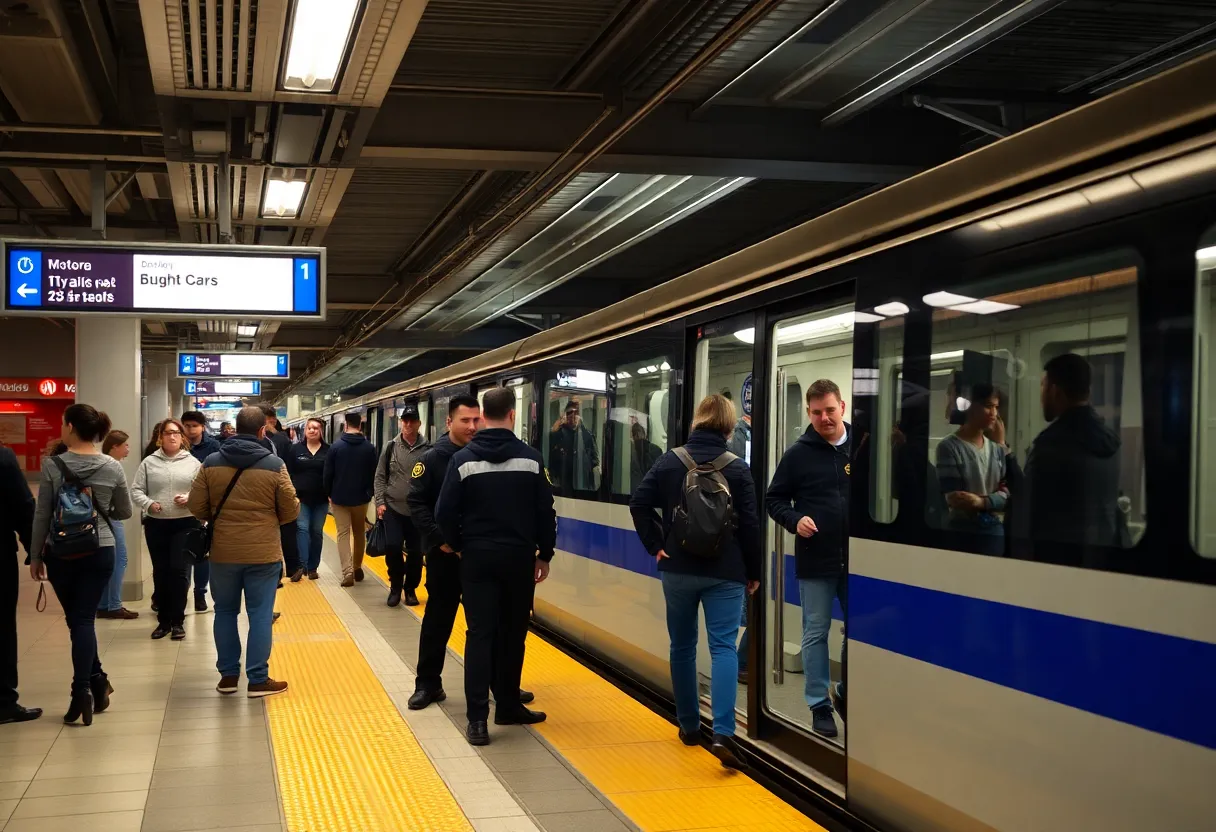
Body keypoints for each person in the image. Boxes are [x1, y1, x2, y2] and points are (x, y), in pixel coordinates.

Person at [629, 394, 760, 769]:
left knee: (683, 646)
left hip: (678, 567)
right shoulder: (738, 469)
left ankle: (688, 727)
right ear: (729, 428)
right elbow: (750, 526)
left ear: (697, 421)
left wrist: (656, 545)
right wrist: (753, 571)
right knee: (723, 649)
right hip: (725, 572)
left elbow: (639, 503)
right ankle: (723, 733)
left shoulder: (671, 461)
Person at [435, 387, 555, 746]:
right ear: (513, 415)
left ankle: (477, 720)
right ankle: (507, 705)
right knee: (514, 634)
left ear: (483, 417)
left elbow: (444, 512)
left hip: (478, 559)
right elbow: (545, 512)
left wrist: (458, 545)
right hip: (519, 559)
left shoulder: (463, 459)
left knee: (480, 634)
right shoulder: (531, 459)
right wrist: (545, 554)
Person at [765, 379, 860, 738]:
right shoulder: (798, 454)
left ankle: (847, 692)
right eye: (817, 412)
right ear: (808, 413)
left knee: (860, 631)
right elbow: (774, 500)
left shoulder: (862, 447)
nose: (825, 418)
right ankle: (820, 704)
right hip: (815, 559)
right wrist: (794, 520)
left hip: (858, 561)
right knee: (816, 632)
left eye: (830, 410)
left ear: (843, 408)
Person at [30, 404, 133, 725]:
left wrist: (35, 555)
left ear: (71, 427)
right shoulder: (112, 466)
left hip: (61, 551)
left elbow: (42, 514)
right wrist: (98, 510)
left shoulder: (52, 465)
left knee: (78, 620)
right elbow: (125, 511)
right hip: (100, 549)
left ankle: (81, 690)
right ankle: (96, 681)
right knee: (82, 620)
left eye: (64, 423)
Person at [188, 406, 298, 697]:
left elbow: (196, 506)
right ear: (262, 431)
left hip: (223, 552)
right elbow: (290, 510)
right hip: (263, 553)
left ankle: (228, 677)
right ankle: (258, 679)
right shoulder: (274, 464)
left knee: (224, 611)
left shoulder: (211, 462)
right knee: (260, 614)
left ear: (235, 429)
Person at [1015, 354, 1123, 563]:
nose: (1042, 395)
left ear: (1055, 391)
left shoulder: (1050, 446)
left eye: (1043, 386)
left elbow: (1026, 514)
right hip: (1101, 558)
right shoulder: (1112, 442)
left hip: (1058, 562)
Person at [132, 418, 203, 641]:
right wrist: (148, 504)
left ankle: (177, 621)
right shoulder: (149, 463)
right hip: (157, 524)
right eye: (167, 433)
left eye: (176, 433)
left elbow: (202, 490)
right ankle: (163, 621)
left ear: (182, 437)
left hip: (185, 523)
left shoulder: (193, 463)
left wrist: (189, 497)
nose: (172, 437)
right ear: (160, 437)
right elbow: (136, 490)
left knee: (179, 571)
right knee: (161, 571)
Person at [935, 383, 1011, 556]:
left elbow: (1006, 493)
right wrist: (993, 500)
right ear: (970, 407)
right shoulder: (948, 447)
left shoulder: (997, 449)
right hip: (962, 531)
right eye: (988, 406)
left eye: (996, 407)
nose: (994, 413)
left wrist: (980, 502)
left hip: (993, 533)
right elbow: (955, 498)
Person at [374, 403, 429, 607]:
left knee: (416, 552)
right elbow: (380, 476)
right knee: (393, 547)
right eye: (405, 421)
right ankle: (395, 587)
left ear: (419, 424)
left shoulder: (428, 449)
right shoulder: (390, 447)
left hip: (417, 511)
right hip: (393, 508)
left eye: (412, 421)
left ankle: (410, 589)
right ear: (400, 423)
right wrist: (380, 502)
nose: (408, 424)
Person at [1, 442, 40, 724]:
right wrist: (34, 550)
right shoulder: (2, 457)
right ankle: (3, 702)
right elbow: (23, 506)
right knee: (2, 628)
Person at [324, 412, 378, 587]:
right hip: (361, 499)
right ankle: (357, 567)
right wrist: (369, 493)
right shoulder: (369, 448)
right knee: (359, 533)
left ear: (345, 425)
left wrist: (329, 493)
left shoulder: (335, 447)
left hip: (339, 498)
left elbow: (328, 474)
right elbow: (374, 474)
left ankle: (347, 572)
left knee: (343, 534)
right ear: (360, 426)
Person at [258, 404, 302, 580]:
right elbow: (291, 467)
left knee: (269, 534)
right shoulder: (283, 440)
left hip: (263, 494)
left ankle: (275, 573)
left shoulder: (258, 440)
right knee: (288, 529)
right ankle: (293, 567)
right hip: (282, 490)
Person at [97, 431, 138, 620]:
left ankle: (104, 604)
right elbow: (122, 502)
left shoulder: (98, 463)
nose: (128, 448)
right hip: (112, 517)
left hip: (99, 518)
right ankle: (114, 605)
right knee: (119, 560)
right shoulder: (113, 466)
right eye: (125, 445)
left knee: (108, 561)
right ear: (114, 446)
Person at [181, 411, 219, 609]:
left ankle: (200, 594)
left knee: (202, 552)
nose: (190, 430)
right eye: (186, 425)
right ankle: (181, 592)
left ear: (203, 427)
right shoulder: (177, 446)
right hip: (180, 506)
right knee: (183, 553)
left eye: (194, 426)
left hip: (203, 507)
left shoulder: (213, 447)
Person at [287, 418, 329, 581]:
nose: (312, 430)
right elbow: (288, 472)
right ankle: (302, 566)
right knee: (302, 529)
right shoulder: (295, 450)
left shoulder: (328, 450)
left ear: (321, 431)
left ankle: (313, 567)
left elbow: (332, 473)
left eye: (316, 428)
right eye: (309, 428)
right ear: (305, 431)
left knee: (316, 532)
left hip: (321, 499)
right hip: (301, 498)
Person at [547, 399, 599, 495]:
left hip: (582, 486)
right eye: (570, 412)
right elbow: (550, 458)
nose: (573, 415)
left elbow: (594, 461)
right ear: (565, 415)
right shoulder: (558, 435)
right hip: (562, 485)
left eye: (576, 412)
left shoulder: (587, 436)